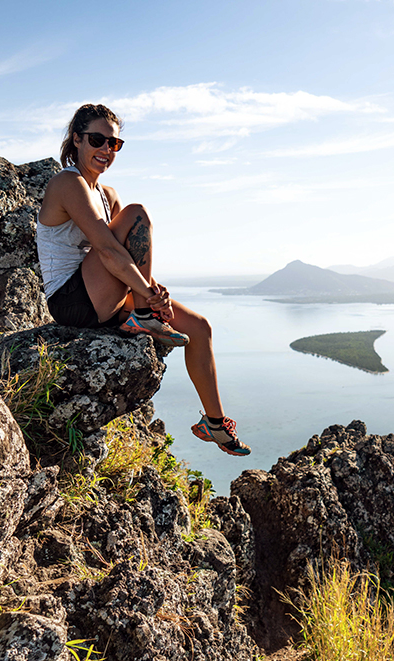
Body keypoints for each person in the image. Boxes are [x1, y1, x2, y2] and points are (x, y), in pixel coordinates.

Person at [36, 103, 250, 456]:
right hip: (71, 300)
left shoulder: (107, 195)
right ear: (76, 140)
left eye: (114, 143)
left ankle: (214, 424)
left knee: (199, 328)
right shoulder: (67, 183)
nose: (106, 149)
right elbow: (108, 251)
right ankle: (144, 316)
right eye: (97, 140)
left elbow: (130, 255)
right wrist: (147, 295)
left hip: (105, 294)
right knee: (138, 214)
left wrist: (155, 292)